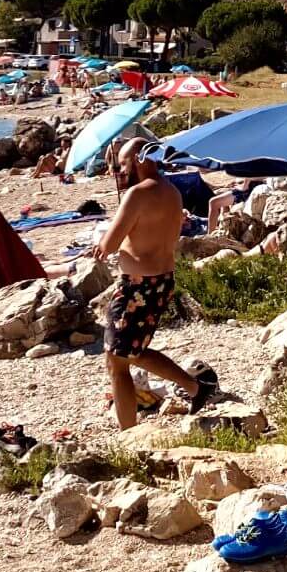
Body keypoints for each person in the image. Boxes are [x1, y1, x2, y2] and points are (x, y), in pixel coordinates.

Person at [96, 140, 214, 427]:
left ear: (139, 159)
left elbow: (108, 245)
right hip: (162, 281)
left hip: (136, 286)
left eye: (123, 164)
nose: (121, 171)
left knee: (117, 362)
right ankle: (196, 387)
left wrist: (104, 243)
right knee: (130, 352)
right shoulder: (172, 192)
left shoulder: (137, 194)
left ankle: (128, 435)